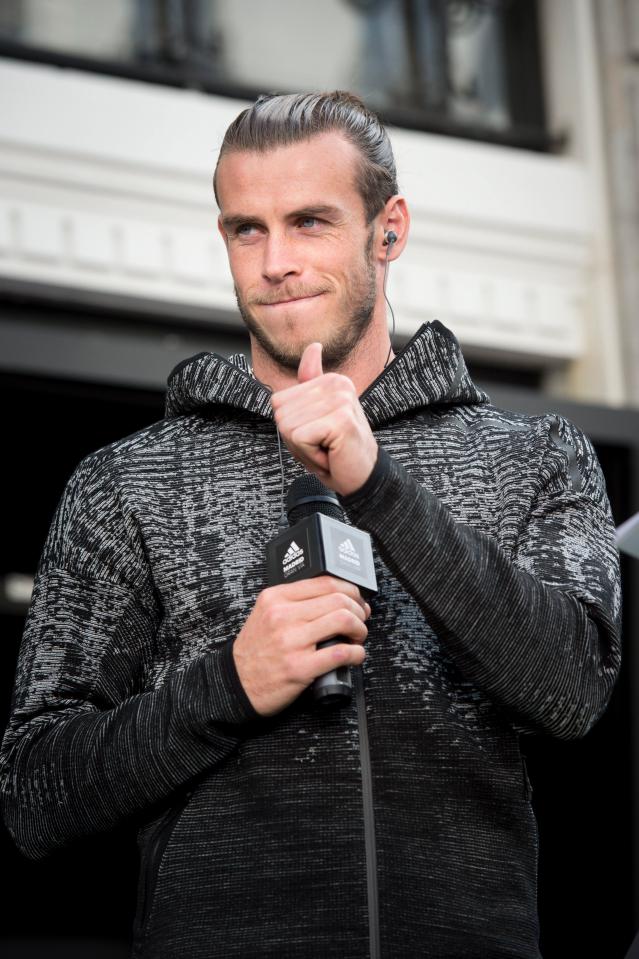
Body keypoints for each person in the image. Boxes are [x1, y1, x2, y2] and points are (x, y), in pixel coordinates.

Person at [0, 92, 621, 959]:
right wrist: (231, 683)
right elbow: (35, 791)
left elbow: (571, 688)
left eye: (310, 222)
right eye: (246, 229)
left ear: (388, 228)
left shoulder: (535, 457)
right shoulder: (125, 483)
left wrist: (377, 485)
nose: (276, 261)